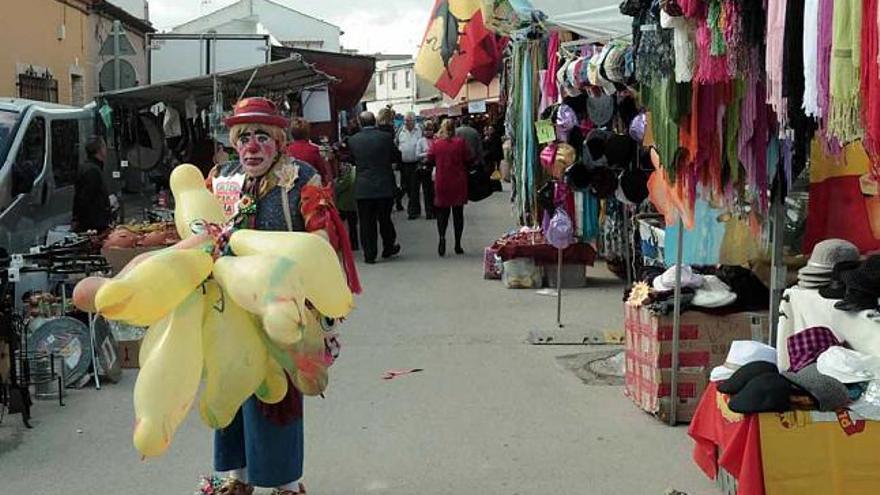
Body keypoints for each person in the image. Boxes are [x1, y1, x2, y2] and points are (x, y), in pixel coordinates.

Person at [205, 97, 355, 495]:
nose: (252, 147)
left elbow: (320, 237)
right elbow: (200, 227)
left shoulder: (301, 177)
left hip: (281, 305)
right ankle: (235, 477)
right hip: (230, 302)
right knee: (230, 385)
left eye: (261, 137)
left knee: (277, 396)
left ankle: (284, 483)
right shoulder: (221, 177)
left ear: (279, 141)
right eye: (244, 138)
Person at [347, 111, 401, 264]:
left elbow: (351, 160)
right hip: (384, 185)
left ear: (360, 122)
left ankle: (369, 254)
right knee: (385, 218)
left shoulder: (353, 140)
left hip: (363, 187)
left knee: (366, 222)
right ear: (375, 122)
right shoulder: (385, 137)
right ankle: (388, 247)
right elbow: (396, 156)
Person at [429, 119, 472, 257]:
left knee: (442, 214)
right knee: (458, 214)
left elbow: (429, 158)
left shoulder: (437, 144)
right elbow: (469, 157)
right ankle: (457, 244)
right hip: (458, 181)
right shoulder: (460, 143)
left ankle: (442, 238)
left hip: (442, 181)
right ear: (455, 128)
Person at [72, 135, 113, 233]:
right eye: (104, 147)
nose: (106, 150)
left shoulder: (91, 168)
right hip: (94, 224)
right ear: (99, 150)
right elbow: (84, 198)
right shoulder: (92, 171)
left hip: (95, 222)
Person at [286, 117, 331, 185]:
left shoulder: (287, 151)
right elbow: (323, 172)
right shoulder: (314, 150)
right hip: (311, 188)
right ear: (308, 132)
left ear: (292, 133)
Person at [395, 112, 424, 219]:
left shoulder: (420, 130)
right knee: (406, 187)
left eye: (408, 120)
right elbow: (396, 143)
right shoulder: (400, 131)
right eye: (405, 121)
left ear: (413, 121)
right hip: (404, 164)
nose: (406, 123)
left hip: (416, 163)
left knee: (414, 188)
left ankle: (413, 211)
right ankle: (415, 209)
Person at [376, 107, 404, 211]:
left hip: (380, 158)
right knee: (396, 182)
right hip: (390, 157)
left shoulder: (377, 127)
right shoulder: (389, 128)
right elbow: (392, 145)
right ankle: (398, 202)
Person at [414, 120, 436, 220]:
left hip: (435, 167)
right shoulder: (420, 141)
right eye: (426, 130)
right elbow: (417, 155)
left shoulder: (436, 139)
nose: (428, 132)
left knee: (435, 190)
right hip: (425, 167)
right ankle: (429, 212)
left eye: (430, 130)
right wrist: (427, 154)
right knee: (427, 191)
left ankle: (436, 210)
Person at [335, 161, 359, 251]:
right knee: (353, 226)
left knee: (338, 224)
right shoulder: (355, 172)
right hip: (353, 204)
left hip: (344, 204)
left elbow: (340, 187)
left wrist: (336, 183)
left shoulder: (348, 175)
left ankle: (340, 243)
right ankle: (354, 245)